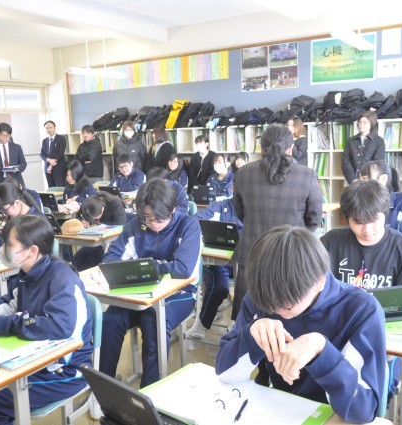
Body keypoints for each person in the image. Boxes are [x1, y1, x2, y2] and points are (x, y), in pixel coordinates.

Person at [216, 225, 385, 424]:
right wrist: (250, 336)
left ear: (320, 281)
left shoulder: (360, 309)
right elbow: (225, 373)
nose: (276, 311)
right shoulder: (261, 296)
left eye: (286, 306)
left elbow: (363, 410)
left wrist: (322, 351)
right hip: (273, 410)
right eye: (269, 305)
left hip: (331, 417)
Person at [0, 215, 92, 425]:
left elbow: (59, 325)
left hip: (66, 371)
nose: (3, 249)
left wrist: (5, 325)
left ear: (32, 251)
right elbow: (10, 305)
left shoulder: (62, 278)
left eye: (9, 245)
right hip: (35, 359)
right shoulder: (27, 273)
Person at [99, 178, 201, 388]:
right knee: (110, 320)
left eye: (158, 219)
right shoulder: (136, 225)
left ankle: (149, 392)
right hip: (139, 294)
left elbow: (183, 269)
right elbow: (111, 260)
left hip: (180, 293)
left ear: (173, 209)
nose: (152, 224)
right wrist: (148, 269)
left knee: (153, 320)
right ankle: (103, 386)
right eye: (147, 218)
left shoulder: (188, 225)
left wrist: (146, 267)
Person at [232, 124, 322, 319]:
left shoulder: (243, 173)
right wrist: (295, 234)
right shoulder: (306, 175)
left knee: (250, 317)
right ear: (290, 149)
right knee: (289, 315)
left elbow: (239, 211)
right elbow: (315, 218)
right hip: (290, 255)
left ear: (262, 149)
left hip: (252, 252)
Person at [321, 179, 402, 288]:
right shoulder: (331, 242)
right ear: (347, 219)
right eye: (358, 222)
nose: (367, 229)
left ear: (385, 214)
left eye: (373, 220)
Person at [192, 197, 242, 338]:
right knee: (219, 287)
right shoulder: (221, 206)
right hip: (218, 260)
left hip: (243, 261)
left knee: (248, 291)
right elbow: (196, 220)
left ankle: (240, 325)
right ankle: (203, 322)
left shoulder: (254, 208)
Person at [360, 160, 402, 238]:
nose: (360, 184)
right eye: (360, 180)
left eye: (365, 179)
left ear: (383, 179)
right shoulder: (361, 202)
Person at [72, 191, 127, 271]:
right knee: (79, 258)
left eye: (97, 218)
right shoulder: (88, 204)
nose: (95, 220)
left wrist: (104, 228)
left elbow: (121, 225)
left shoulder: (115, 204)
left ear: (103, 209)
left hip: (115, 237)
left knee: (98, 253)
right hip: (96, 236)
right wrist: (82, 221)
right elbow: (78, 216)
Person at [342, 111, 385, 184]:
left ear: (372, 123)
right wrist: (353, 180)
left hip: (370, 182)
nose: (361, 125)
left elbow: (378, 163)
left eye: (365, 122)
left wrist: (367, 179)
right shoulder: (351, 140)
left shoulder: (379, 141)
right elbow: (345, 162)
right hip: (352, 181)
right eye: (360, 122)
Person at [0, 123, 27, 191]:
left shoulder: (17, 147)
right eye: (2, 135)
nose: (4, 138)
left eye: (7, 136)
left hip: (15, 180)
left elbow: (23, 163)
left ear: (10, 135)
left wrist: (17, 168)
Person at [40, 120, 67, 188]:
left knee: (60, 188)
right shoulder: (44, 141)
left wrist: (51, 165)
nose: (49, 129)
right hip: (47, 169)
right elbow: (42, 154)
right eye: (47, 128)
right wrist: (48, 160)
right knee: (51, 188)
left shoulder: (61, 138)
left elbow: (60, 153)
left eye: (51, 127)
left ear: (55, 128)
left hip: (58, 168)